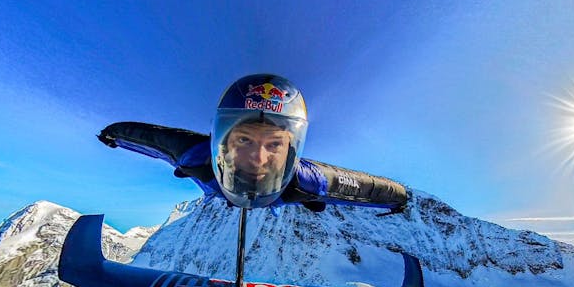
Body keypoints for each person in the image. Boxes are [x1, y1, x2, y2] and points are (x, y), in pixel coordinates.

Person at [98, 73, 409, 215]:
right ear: (223, 141)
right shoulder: (197, 155)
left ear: (291, 151)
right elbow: (145, 137)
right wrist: (114, 135)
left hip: (278, 194)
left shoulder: (308, 182)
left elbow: (366, 188)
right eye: (244, 140)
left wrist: (397, 198)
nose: (257, 159)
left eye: (274, 144)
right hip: (226, 186)